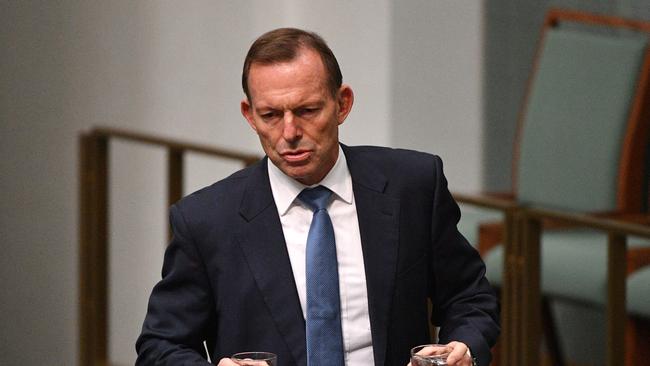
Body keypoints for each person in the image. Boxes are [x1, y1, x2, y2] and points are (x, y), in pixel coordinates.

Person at [136, 28, 499, 366]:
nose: (289, 132)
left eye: (307, 111)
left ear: (342, 104)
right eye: (271, 115)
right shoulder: (207, 220)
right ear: (249, 115)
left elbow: (469, 297)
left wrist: (463, 346)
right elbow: (160, 346)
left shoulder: (413, 185)